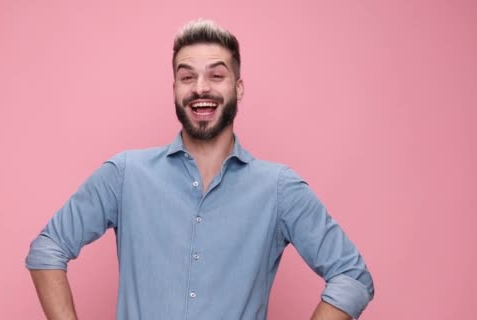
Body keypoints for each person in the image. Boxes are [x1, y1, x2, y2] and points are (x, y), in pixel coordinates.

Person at [26, 19, 374, 320]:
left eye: (216, 75)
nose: (201, 88)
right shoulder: (125, 175)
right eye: (187, 76)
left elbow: (352, 276)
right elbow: (48, 248)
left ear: (238, 88)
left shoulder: (279, 189)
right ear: (175, 89)